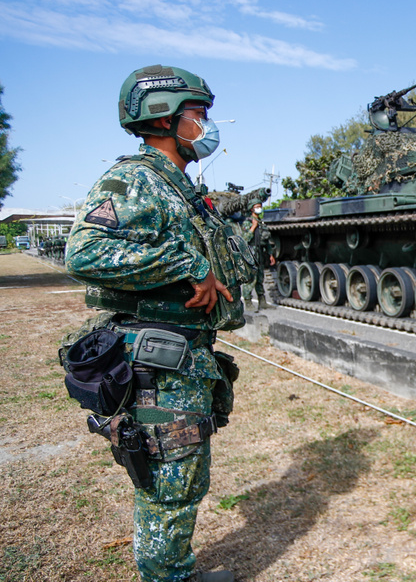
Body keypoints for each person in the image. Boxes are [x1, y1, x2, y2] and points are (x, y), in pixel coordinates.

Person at [65, 65, 244, 582]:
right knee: (169, 481)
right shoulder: (136, 179)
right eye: (199, 115)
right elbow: (86, 251)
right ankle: (169, 578)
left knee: (181, 477)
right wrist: (188, 265)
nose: (206, 127)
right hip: (158, 360)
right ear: (164, 118)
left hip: (183, 354)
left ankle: (175, 572)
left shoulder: (176, 188)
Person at [241, 201, 276, 311]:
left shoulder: (261, 223)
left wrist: (270, 254)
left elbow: (266, 241)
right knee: (251, 279)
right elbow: (244, 239)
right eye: (257, 207)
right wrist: (253, 228)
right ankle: (248, 302)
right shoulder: (248, 222)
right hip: (251, 253)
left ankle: (262, 301)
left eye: (260, 207)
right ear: (252, 209)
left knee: (260, 278)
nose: (259, 209)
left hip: (260, 253)